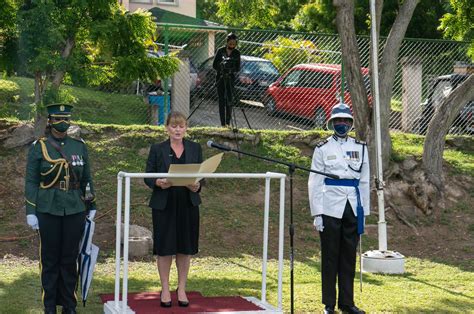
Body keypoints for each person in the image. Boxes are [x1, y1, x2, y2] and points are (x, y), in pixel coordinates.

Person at [24, 103, 97, 314]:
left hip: (75, 208)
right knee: (49, 260)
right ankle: (49, 307)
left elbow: (87, 178)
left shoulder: (79, 146)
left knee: (70, 259)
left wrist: (91, 204)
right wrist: (31, 211)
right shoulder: (39, 146)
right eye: (57, 119)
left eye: (65, 119)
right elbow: (31, 181)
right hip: (47, 209)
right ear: (50, 121)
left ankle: (69, 306)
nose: (62, 123)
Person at [308, 102, 370, 314]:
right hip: (330, 208)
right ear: (331, 123)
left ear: (351, 123)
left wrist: (364, 213)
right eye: (338, 120)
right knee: (330, 256)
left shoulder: (360, 147)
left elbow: (364, 181)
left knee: (348, 257)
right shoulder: (322, 149)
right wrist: (317, 213)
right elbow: (314, 182)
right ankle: (329, 304)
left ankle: (347, 303)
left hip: (352, 207)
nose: (341, 124)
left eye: (345, 120)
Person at [144, 111, 203, 308]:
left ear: (186, 128)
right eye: (174, 126)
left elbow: (201, 176)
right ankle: (166, 289)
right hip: (164, 204)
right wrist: (158, 182)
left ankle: (182, 289)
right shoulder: (157, 148)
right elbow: (147, 175)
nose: (178, 130)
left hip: (188, 203)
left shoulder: (195, 148)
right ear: (167, 128)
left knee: (184, 248)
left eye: (181, 126)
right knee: (165, 248)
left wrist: (197, 185)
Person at [213, 32, 241, 127]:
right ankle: (222, 123)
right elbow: (214, 65)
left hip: (230, 78)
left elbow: (238, 68)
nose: (232, 46)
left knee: (229, 100)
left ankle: (228, 122)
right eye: (230, 44)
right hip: (220, 78)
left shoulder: (237, 53)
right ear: (227, 42)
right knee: (221, 100)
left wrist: (230, 70)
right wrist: (221, 68)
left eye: (234, 44)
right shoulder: (220, 50)